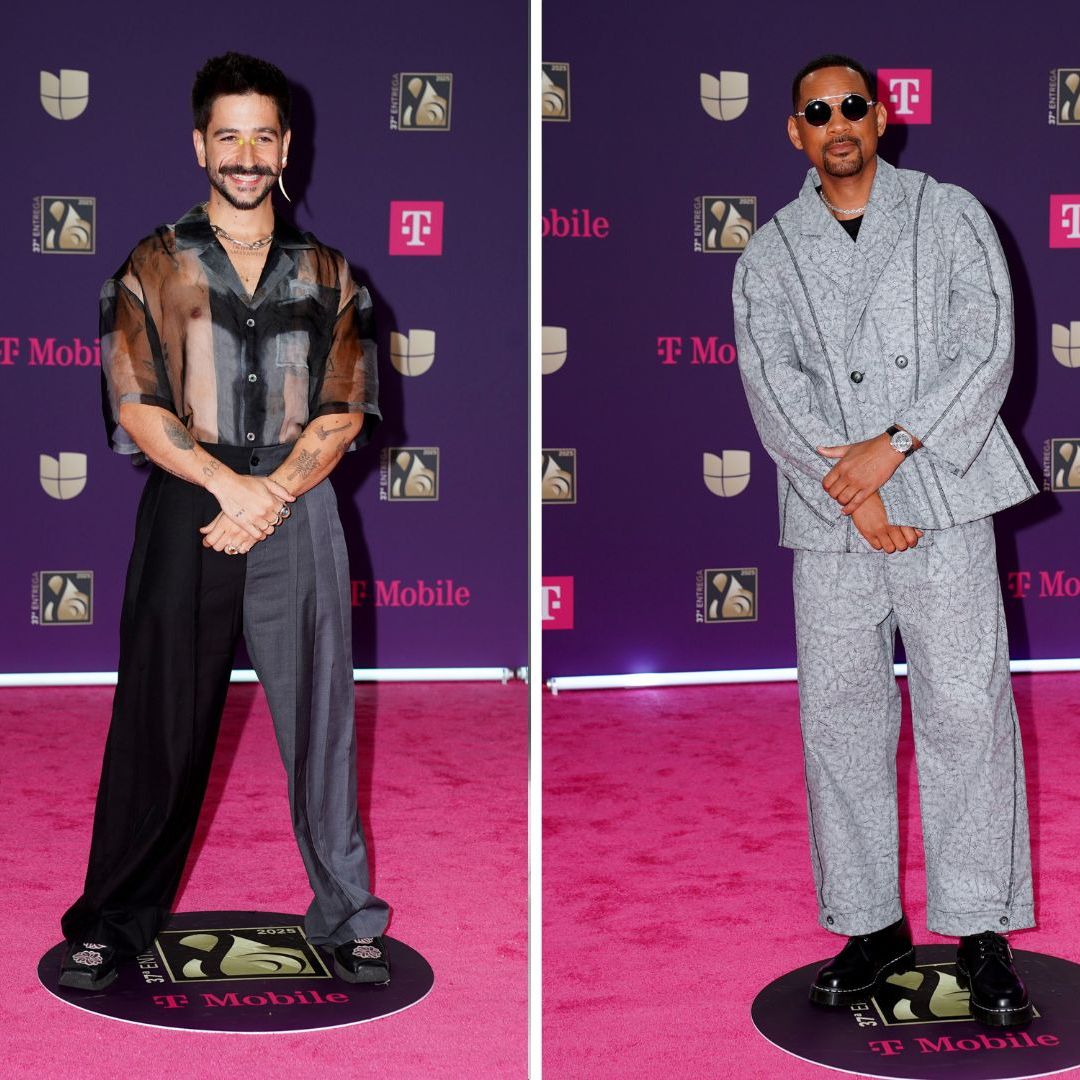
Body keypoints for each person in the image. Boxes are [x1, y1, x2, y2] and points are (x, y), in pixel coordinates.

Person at [59, 52, 391, 991]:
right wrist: (225, 487)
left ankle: (348, 915)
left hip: (300, 506)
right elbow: (136, 406)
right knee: (156, 723)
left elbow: (341, 411)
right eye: (229, 135)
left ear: (288, 147)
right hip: (186, 504)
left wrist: (270, 493)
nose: (247, 154)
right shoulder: (153, 264)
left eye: (264, 135)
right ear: (200, 143)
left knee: (322, 723)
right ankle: (113, 920)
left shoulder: (331, 273)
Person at [733, 53, 1037, 1028]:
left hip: (941, 490)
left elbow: (984, 342)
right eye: (816, 112)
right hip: (833, 519)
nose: (837, 123)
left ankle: (980, 928)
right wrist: (852, 490)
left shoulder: (947, 212)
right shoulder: (769, 252)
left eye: (852, 105)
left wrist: (893, 451)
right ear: (794, 132)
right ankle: (870, 925)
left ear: (884, 113)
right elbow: (772, 385)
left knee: (966, 711)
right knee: (842, 725)